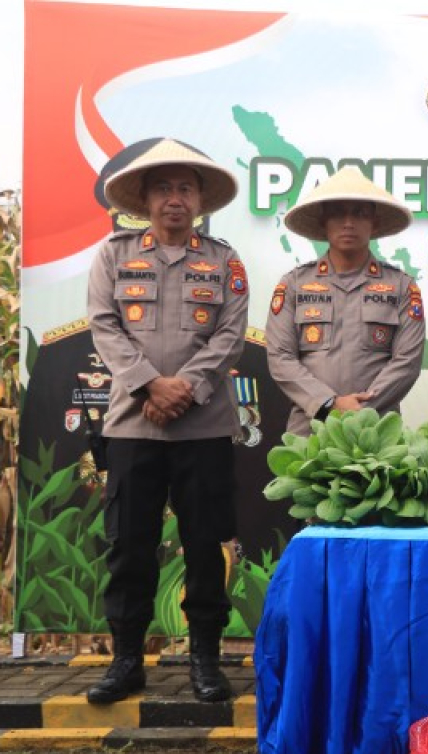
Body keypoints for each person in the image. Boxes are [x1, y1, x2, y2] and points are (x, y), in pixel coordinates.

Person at [86, 138, 248, 704]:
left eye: (184, 188)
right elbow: (104, 324)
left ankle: (205, 659)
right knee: (130, 546)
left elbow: (230, 335)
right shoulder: (114, 254)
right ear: (146, 199)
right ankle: (126, 660)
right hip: (133, 425)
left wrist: (186, 388)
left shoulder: (224, 260)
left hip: (203, 427)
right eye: (163, 188)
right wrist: (149, 384)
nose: (174, 199)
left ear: (200, 200)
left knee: (204, 545)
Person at [266, 166, 423, 435]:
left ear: (374, 222)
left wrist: (359, 410)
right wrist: (329, 404)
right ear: (323, 221)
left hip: (376, 431)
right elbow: (281, 358)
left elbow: (407, 362)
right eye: (338, 213)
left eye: (360, 213)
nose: (348, 222)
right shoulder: (294, 284)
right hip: (309, 428)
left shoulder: (402, 286)